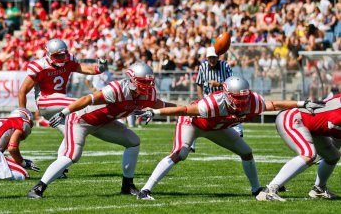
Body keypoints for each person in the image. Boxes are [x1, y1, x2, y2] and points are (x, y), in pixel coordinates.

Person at [134, 76, 324, 200]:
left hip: (217, 127)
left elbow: (274, 105)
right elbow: (183, 110)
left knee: (246, 152)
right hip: (193, 123)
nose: (242, 102)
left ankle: (256, 190)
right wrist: (156, 111)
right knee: (180, 153)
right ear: (226, 95)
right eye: (237, 98)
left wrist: (302, 103)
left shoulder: (252, 101)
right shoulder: (211, 104)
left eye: (244, 97)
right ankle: (146, 190)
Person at [27, 62, 177, 198]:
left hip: (105, 123)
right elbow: (87, 99)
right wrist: (63, 113)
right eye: (143, 82)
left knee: (133, 142)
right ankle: (38, 188)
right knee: (72, 156)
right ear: (131, 80)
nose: (147, 86)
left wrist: (190, 110)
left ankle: (127, 186)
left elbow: (163, 105)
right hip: (82, 120)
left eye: (149, 82)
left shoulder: (148, 95)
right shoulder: (117, 89)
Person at [18, 38, 107, 178]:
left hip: (61, 104)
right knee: (81, 102)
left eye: (62, 55)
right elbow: (23, 91)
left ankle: (59, 169)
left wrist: (98, 69)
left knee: (72, 133)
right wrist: (22, 114)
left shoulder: (69, 60)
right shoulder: (40, 66)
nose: (61, 58)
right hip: (46, 101)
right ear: (48, 54)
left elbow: (82, 68)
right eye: (57, 56)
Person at [256, 95, 341, 202]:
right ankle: (269, 190)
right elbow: (337, 139)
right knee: (308, 154)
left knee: (332, 156)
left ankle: (319, 189)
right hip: (293, 117)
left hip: (312, 126)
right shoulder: (338, 115)